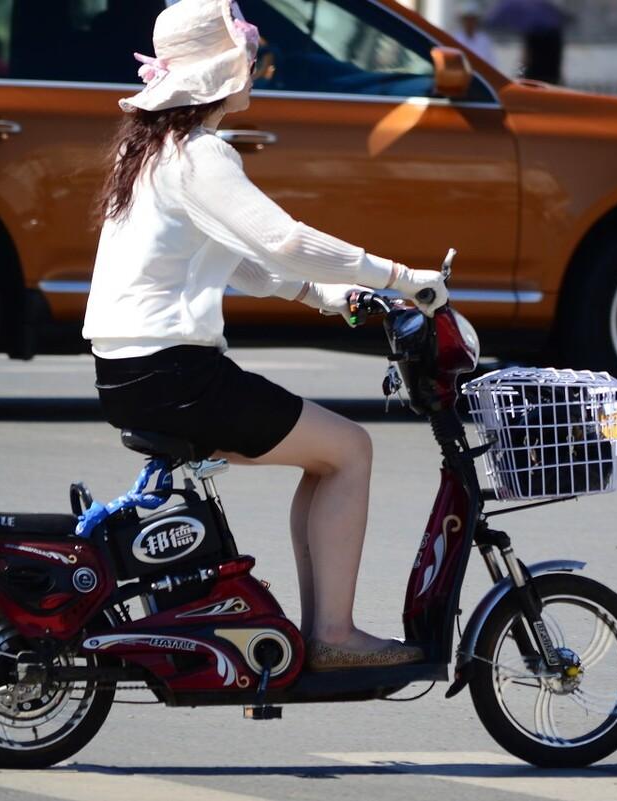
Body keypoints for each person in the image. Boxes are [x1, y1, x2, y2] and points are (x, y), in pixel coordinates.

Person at [82, 0, 448, 671]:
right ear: (224, 70)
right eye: (247, 50)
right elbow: (281, 239)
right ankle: (334, 634)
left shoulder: (155, 151)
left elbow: (244, 261)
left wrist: (327, 295)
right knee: (351, 449)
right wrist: (401, 276)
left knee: (328, 453)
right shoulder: (202, 154)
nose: (256, 61)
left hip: (134, 373)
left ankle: (323, 630)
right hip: (175, 376)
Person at [453, 1, 496, 68]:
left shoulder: (484, 40)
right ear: (463, 20)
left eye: (472, 19)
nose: (470, 22)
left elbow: (492, 63)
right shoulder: (455, 39)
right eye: (467, 19)